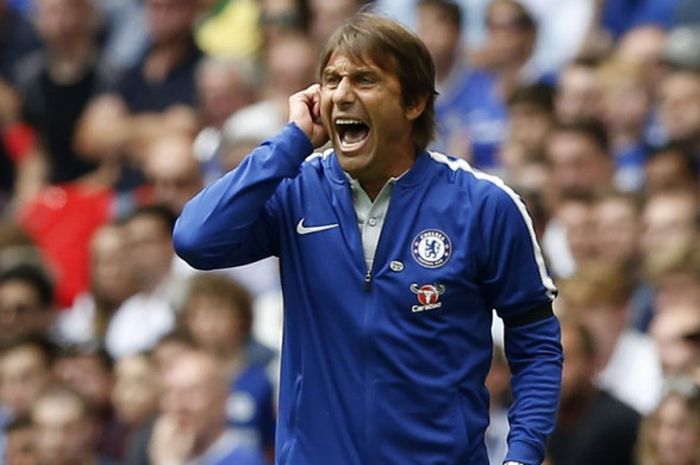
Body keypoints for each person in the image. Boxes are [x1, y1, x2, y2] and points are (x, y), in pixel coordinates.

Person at [174, 13, 562, 465]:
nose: (341, 94)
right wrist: (291, 141)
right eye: (331, 80)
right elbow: (195, 238)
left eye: (364, 79)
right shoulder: (296, 191)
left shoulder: (484, 205)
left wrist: (523, 455)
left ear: (414, 101)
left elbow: (536, 343)